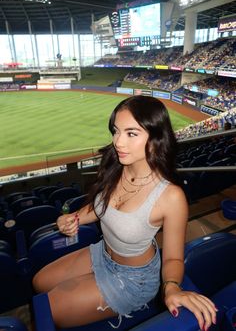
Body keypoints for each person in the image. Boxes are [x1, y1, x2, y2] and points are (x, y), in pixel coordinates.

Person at [33, 95, 217, 330]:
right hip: (102, 253)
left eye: (131, 133)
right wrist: (74, 218)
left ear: (155, 138)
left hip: (132, 279)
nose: (118, 142)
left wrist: (171, 287)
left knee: (47, 310)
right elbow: (99, 207)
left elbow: (172, 258)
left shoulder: (171, 197)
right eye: (116, 131)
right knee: (39, 282)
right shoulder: (117, 166)